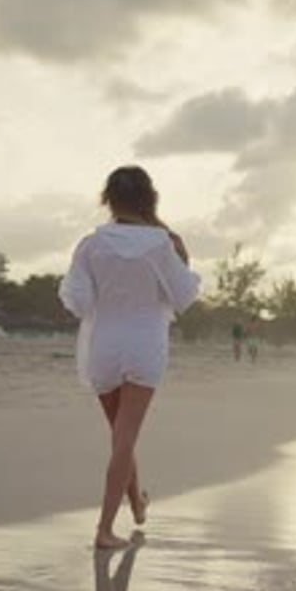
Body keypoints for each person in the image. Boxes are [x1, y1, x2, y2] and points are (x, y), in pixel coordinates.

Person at [59, 165, 200, 550]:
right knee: (125, 439)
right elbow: (183, 297)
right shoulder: (163, 243)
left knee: (122, 437)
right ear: (148, 198)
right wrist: (182, 260)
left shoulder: (91, 245)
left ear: (108, 199)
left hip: (103, 345)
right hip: (144, 345)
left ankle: (136, 503)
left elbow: (78, 301)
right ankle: (104, 529)